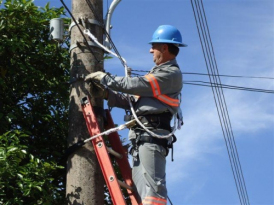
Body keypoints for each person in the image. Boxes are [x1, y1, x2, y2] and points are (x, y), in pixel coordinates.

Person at [85, 25, 187, 205]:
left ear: (164, 47)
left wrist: (105, 78)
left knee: (153, 191)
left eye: (153, 46)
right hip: (141, 139)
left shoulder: (171, 74)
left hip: (152, 136)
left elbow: (135, 85)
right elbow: (132, 101)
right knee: (142, 194)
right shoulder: (157, 74)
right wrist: (107, 95)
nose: (150, 51)